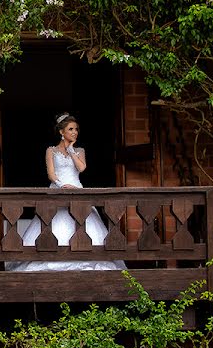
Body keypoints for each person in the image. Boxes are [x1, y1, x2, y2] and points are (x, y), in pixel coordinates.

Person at [7, 112, 125, 271]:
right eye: (70, 129)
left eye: (76, 129)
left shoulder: (80, 150)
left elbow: (81, 168)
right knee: (50, 222)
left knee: (84, 222)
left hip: (77, 189)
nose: (75, 132)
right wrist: (63, 187)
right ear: (61, 132)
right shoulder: (51, 150)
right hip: (57, 189)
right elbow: (51, 174)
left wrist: (71, 150)